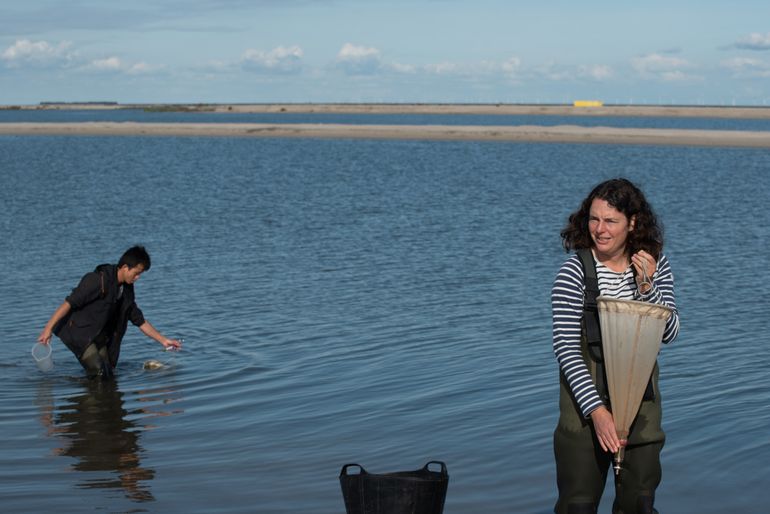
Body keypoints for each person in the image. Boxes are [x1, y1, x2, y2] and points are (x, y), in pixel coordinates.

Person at [551, 178, 679, 514]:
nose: (600, 229)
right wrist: (598, 412)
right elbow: (566, 349)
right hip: (583, 409)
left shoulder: (656, 263)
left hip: (642, 405)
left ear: (632, 223)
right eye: (594, 218)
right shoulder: (573, 271)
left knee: (639, 504)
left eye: (611, 221)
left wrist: (647, 285)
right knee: (577, 505)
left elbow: (670, 333)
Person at [38, 246, 182, 379]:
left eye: (140, 274)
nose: (138, 278)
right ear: (125, 267)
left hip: (99, 336)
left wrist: (163, 340)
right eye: (137, 273)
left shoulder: (127, 289)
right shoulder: (97, 280)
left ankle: (101, 402)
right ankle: (89, 404)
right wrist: (47, 330)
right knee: (99, 372)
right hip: (78, 333)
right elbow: (68, 304)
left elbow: (139, 320)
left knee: (108, 373)